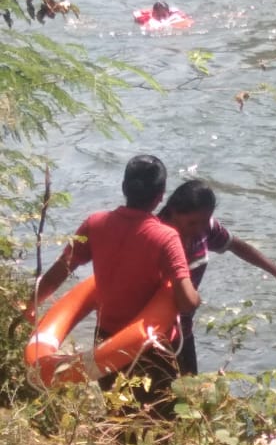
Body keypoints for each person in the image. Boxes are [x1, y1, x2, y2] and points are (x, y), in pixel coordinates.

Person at [32, 155, 199, 415]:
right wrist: (196, 297)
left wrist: (30, 306)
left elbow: (58, 273)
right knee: (160, 421)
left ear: (124, 187)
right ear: (160, 197)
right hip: (150, 349)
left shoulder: (94, 223)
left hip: (106, 340)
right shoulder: (166, 237)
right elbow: (186, 301)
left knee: (120, 416)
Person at [158, 179, 276, 376]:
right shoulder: (157, 235)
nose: (198, 229)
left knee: (188, 392)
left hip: (184, 329)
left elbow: (235, 245)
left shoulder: (204, 230)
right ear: (173, 212)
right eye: (192, 223)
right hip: (156, 332)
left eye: (204, 221)